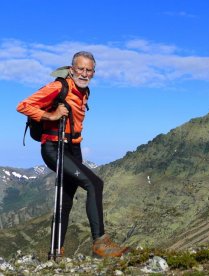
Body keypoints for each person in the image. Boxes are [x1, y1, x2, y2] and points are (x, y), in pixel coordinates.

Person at [17, 51, 129, 258]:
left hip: (73, 148)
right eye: (80, 69)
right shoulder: (59, 86)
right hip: (54, 147)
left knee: (66, 199)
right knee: (94, 183)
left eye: (89, 70)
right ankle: (100, 243)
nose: (84, 73)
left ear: (93, 73)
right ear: (71, 69)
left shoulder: (84, 91)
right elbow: (23, 105)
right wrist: (51, 114)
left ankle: (56, 251)